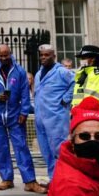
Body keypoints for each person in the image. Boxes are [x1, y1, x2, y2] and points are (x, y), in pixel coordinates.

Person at [0, 44, 45, 194]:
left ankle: (30, 181)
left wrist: (24, 112)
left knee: (21, 146)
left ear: (10, 54)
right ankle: (7, 179)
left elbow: (25, 93)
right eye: (1, 56)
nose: (3, 58)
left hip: (15, 113)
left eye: (6, 55)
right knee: (0, 148)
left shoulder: (20, 71)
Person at [33, 44, 74, 184]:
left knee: (59, 150)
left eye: (47, 55)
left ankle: (64, 179)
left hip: (56, 118)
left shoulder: (62, 72)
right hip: (41, 118)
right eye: (42, 55)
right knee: (46, 151)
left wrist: (66, 99)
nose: (43, 57)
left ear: (54, 56)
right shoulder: (39, 74)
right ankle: (54, 179)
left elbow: (75, 82)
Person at [71, 45, 99, 109]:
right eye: (81, 58)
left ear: (93, 58)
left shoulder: (98, 74)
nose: (81, 60)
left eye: (84, 58)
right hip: (81, 113)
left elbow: (92, 101)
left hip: (94, 114)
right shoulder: (85, 72)